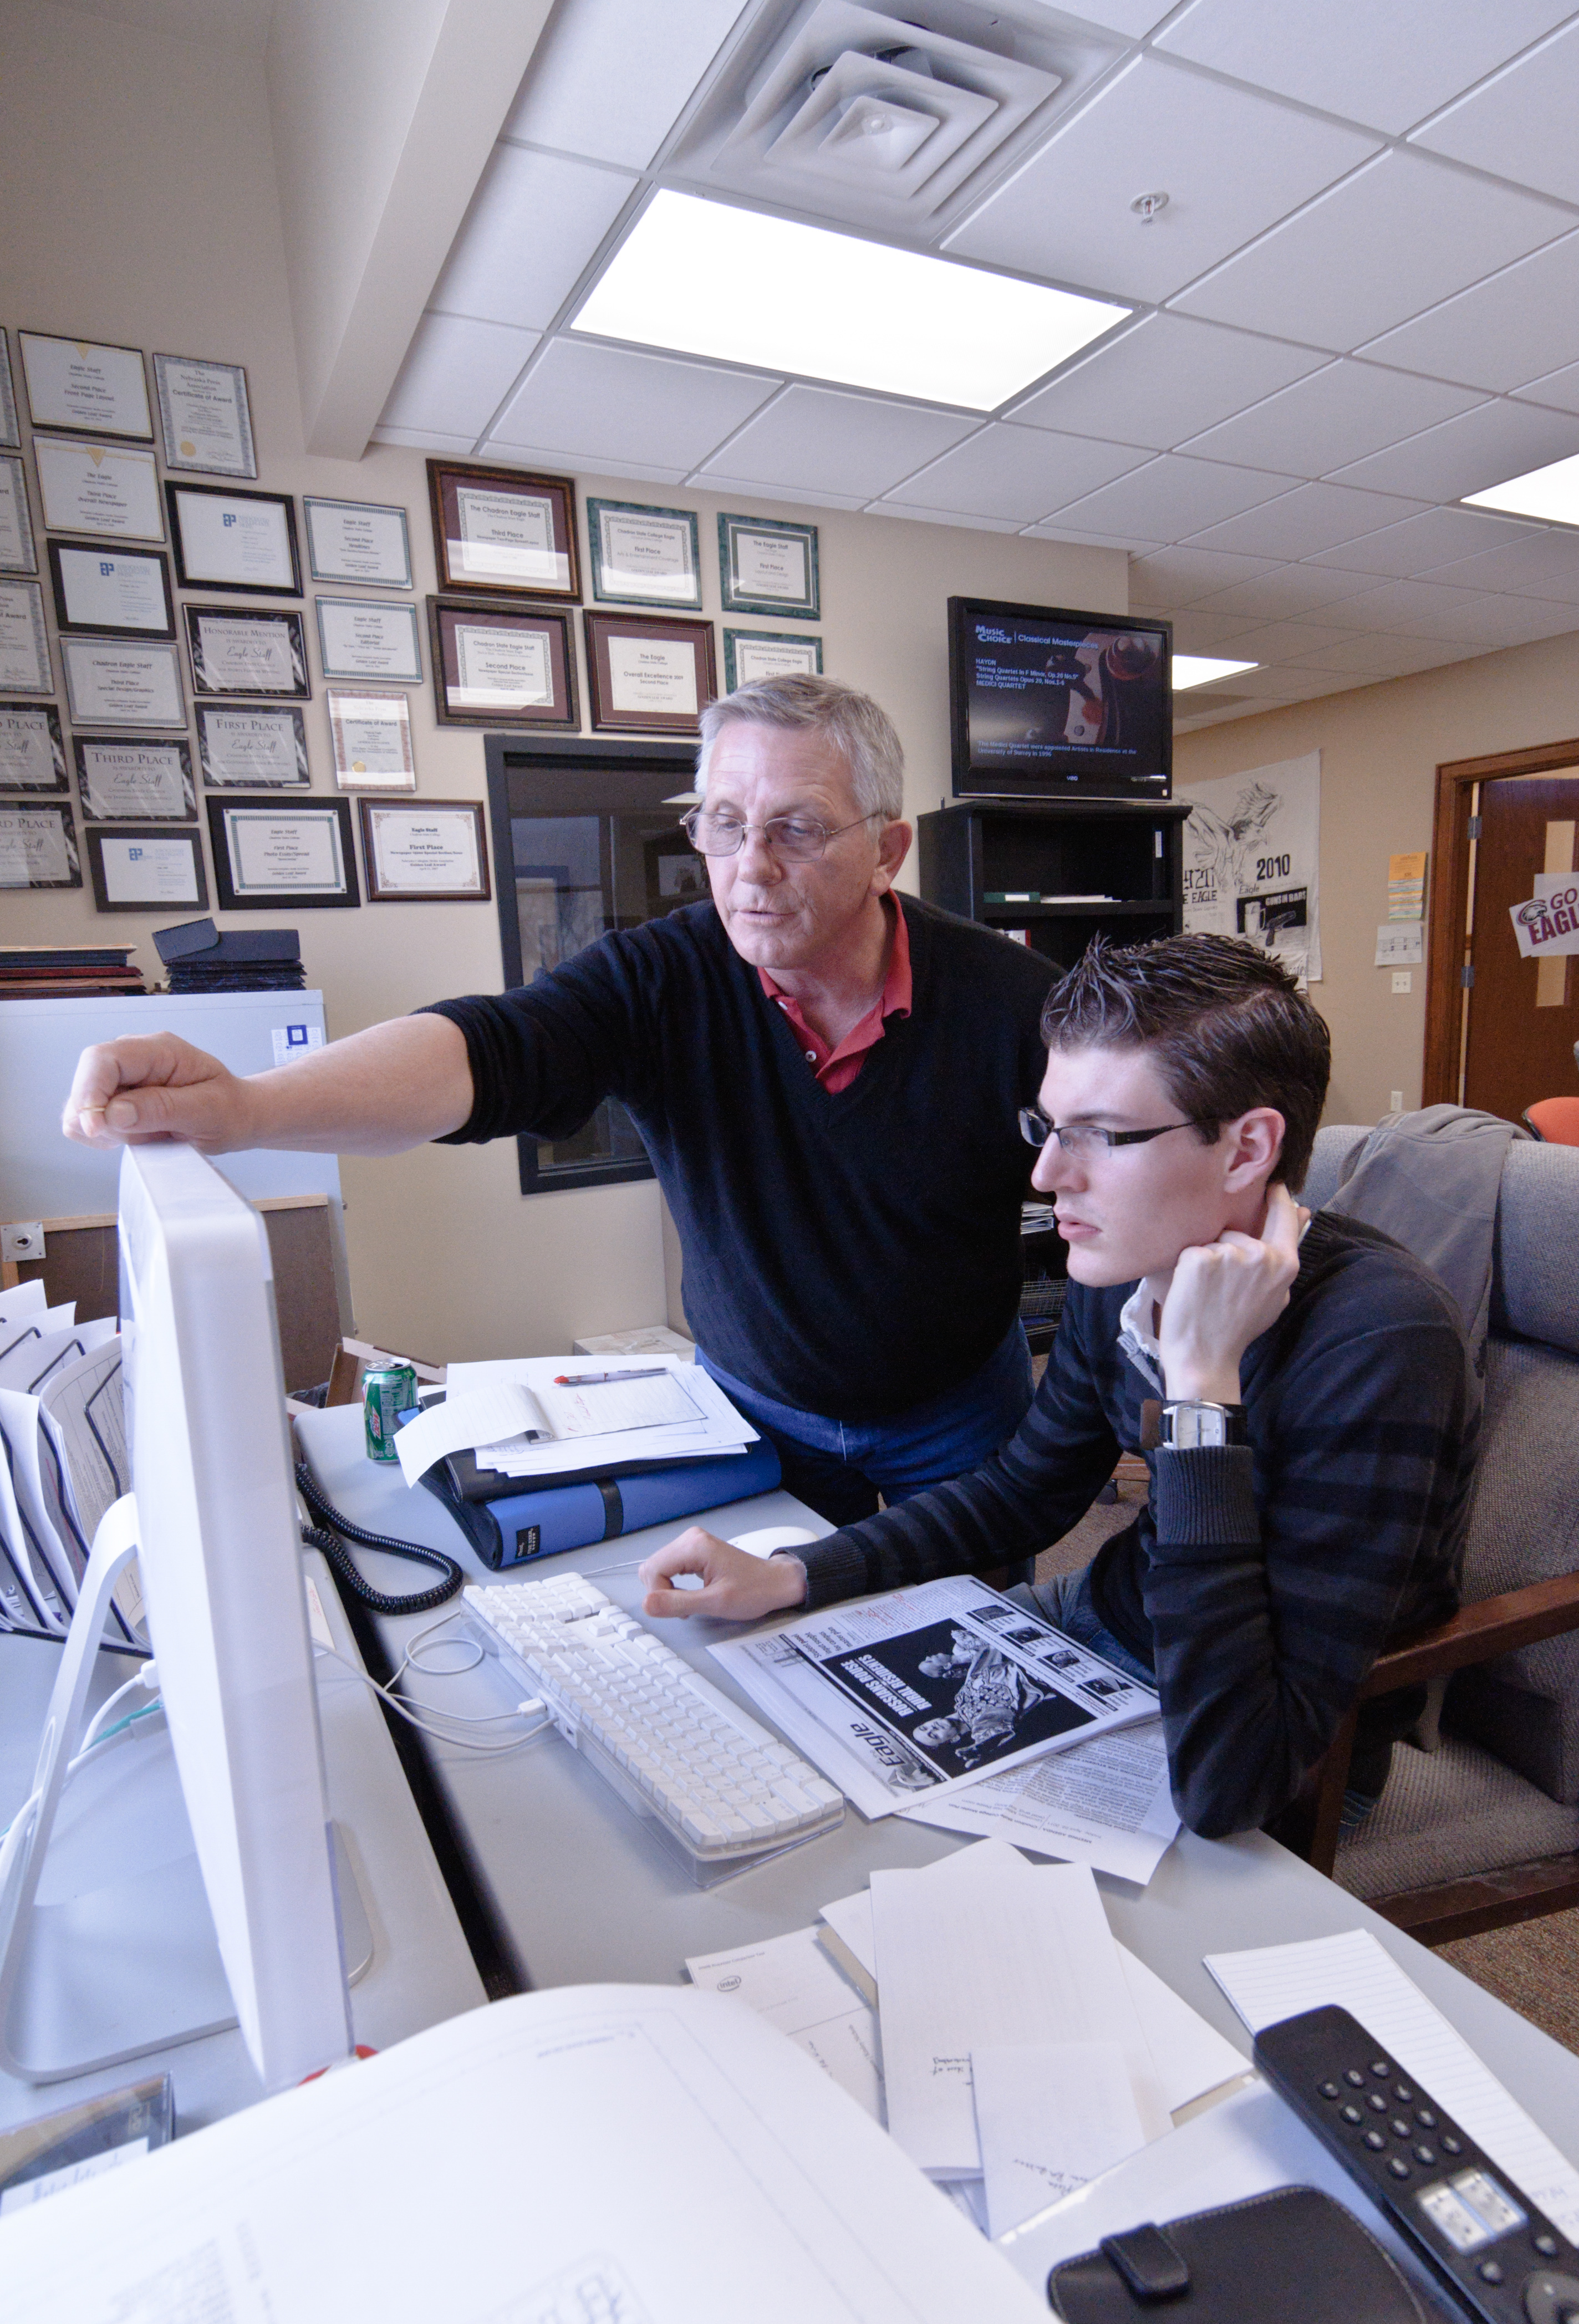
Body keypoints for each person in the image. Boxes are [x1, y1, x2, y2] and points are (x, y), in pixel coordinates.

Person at [60, 674, 1055, 1525]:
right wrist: (247, 1107)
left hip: (958, 1413)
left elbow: (1122, 1200)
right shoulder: (662, 977)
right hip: (760, 1407)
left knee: (979, 1669)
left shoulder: (1014, 1002)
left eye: (795, 829)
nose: (748, 867)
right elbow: (488, 1052)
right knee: (789, 1653)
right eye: (722, 823)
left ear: (888, 849)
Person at [637, 932, 1478, 1840]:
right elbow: (1026, 1491)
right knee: (765, 1752)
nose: (1046, 1177)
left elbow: (1235, 1780)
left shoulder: (1385, 1342)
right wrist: (795, 1573)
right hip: (1102, 1627)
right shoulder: (1122, 1268)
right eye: (1047, 1127)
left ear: (1247, 1151)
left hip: (1267, 1741)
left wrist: (1202, 1393)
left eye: (1102, 1138)